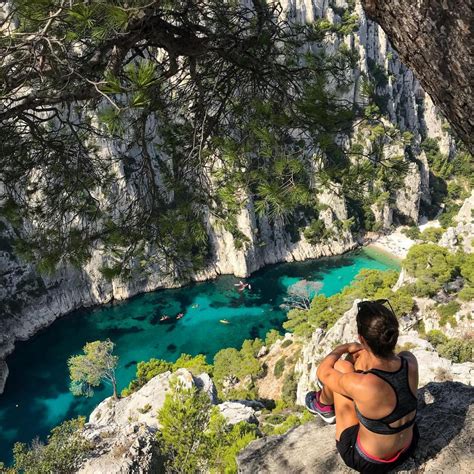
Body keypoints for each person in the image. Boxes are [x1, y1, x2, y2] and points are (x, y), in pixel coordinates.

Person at [305, 299, 419, 473]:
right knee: (353, 370)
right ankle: (323, 404)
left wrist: (343, 348)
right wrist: (365, 352)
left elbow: (324, 372)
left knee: (340, 367)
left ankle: (323, 405)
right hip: (408, 447)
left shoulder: (362, 385)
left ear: (362, 339)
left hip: (369, 461)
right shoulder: (410, 361)